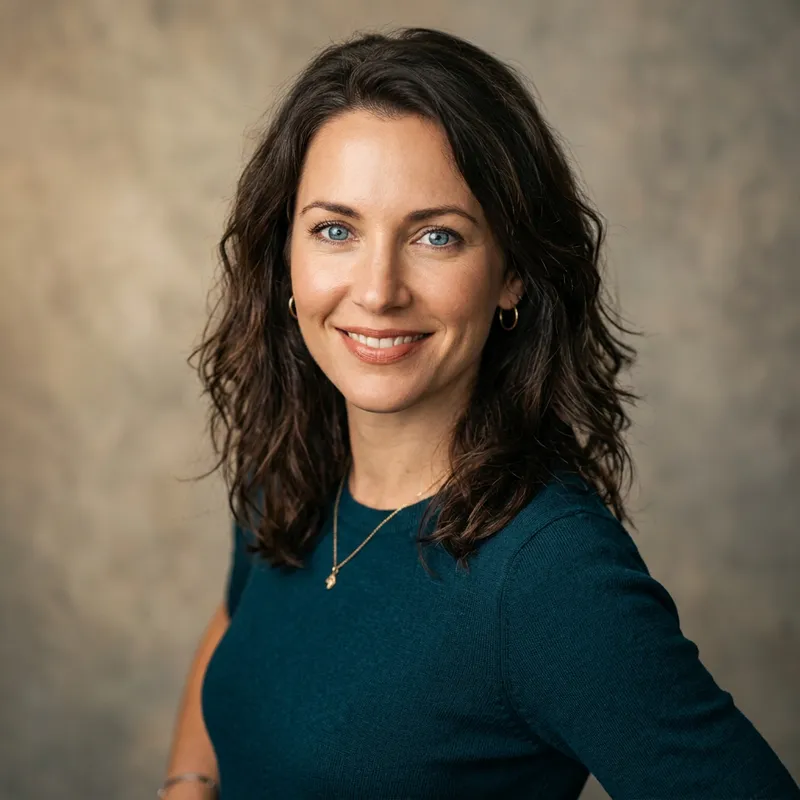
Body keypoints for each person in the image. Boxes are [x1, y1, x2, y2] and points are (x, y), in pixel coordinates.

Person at [159, 26, 800, 800]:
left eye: (437, 236)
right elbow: (240, 632)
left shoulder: (547, 574)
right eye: (336, 230)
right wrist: (187, 784)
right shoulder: (293, 464)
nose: (377, 289)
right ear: (283, 257)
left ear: (512, 276)